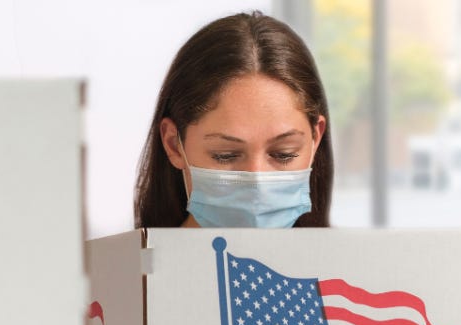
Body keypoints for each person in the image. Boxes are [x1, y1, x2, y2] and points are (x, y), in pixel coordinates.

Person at [135, 12, 333, 229]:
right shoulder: (124, 262)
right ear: (173, 144)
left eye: (284, 154)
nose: (256, 181)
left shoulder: (352, 262)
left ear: (315, 141)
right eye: (225, 155)